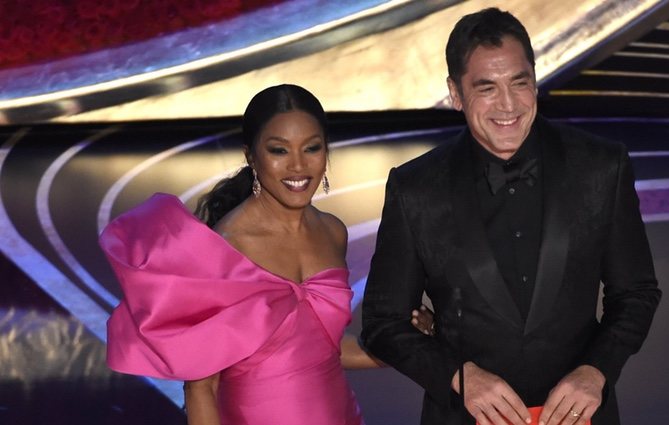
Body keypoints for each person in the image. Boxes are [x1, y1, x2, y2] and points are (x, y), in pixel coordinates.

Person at [361, 8, 661, 425]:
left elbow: (636, 293)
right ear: (456, 93)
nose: (508, 104)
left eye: (520, 83)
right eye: (487, 88)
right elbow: (382, 323)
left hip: (581, 416)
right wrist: (458, 376)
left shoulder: (600, 166)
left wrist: (597, 371)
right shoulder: (416, 188)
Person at [100, 84, 432, 425]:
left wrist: (401, 342)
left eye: (312, 148)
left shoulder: (333, 232)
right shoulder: (223, 247)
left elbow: (324, 349)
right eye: (279, 150)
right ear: (251, 156)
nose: (299, 166)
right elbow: (201, 388)